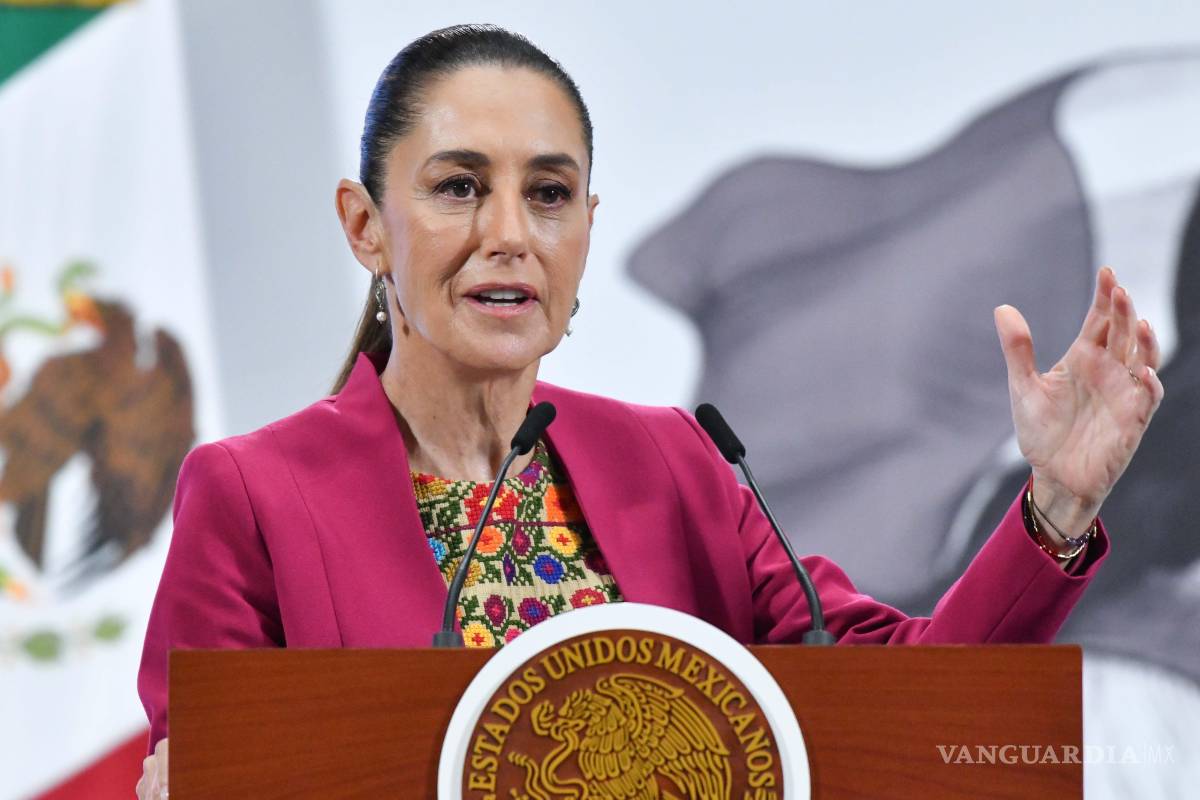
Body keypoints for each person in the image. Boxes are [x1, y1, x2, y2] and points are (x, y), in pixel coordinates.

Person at [134, 24, 1164, 799]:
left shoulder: (673, 461)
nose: (509, 234)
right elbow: (210, 772)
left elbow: (919, 707)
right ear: (365, 225)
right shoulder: (253, 493)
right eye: (457, 187)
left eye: (548, 193)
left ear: (587, 225)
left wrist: (1057, 505)